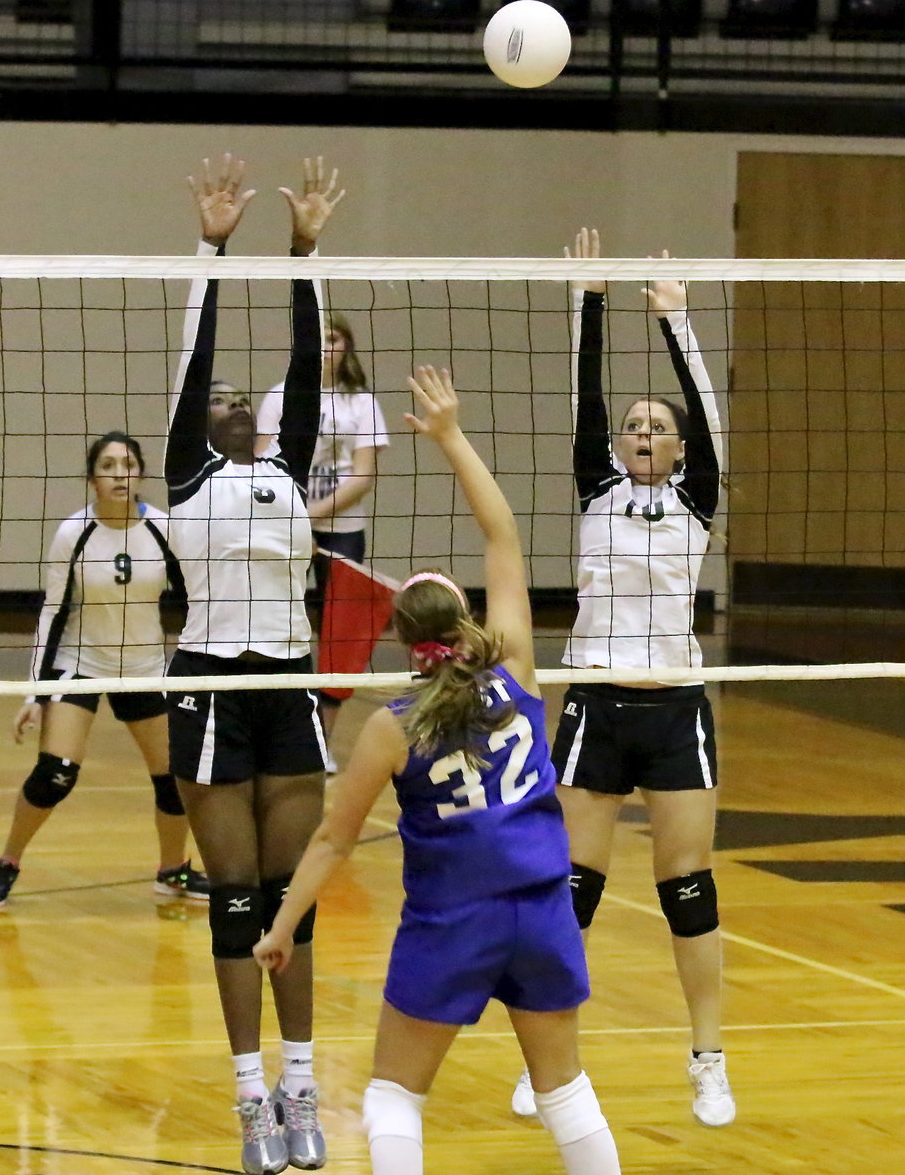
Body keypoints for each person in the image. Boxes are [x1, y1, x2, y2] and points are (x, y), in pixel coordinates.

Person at [255, 365, 622, 1175]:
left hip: (452, 921)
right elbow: (503, 538)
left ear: (400, 641)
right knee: (564, 1092)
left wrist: (281, 928)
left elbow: (329, 840)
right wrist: (452, 438)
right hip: (541, 910)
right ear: (465, 620)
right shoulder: (518, 672)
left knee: (393, 1098)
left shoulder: (390, 729)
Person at [512, 228, 731, 1127]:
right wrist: (588, 300)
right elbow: (584, 397)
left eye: (658, 428)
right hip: (597, 704)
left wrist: (677, 324)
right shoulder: (596, 489)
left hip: (674, 708)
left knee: (687, 890)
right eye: (634, 426)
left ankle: (707, 1060)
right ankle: (550, 1067)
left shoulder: (696, 498)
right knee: (574, 889)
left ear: (678, 450)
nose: (644, 431)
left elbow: (705, 414)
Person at [163, 153, 342, 1175]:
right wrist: (212, 245)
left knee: (291, 899)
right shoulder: (191, 474)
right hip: (209, 690)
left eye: (245, 398)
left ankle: (303, 1082)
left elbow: (308, 362)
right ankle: (248, 1098)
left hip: (284, 688)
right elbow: (195, 354)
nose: (231, 401)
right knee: (234, 901)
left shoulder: (284, 465)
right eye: (217, 399)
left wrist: (305, 252)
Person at [0, 431, 208, 909]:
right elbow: (52, 613)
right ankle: (7, 862)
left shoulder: (166, 530)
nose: (120, 473)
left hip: (144, 668)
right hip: (81, 664)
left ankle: (172, 871)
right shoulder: (74, 533)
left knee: (174, 779)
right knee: (55, 774)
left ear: (140, 473)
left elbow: (199, 599)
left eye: (128, 464)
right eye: (108, 466)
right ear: (92, 480)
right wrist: (36, 695)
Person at [256, 312, 389, 770]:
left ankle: (321, 744)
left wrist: (309, 516)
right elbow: (264, 470)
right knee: (277, 627)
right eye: (320, 338)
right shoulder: (279, 397)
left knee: (340, 638)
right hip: (286, 534)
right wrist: (293, 524)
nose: (327, 346)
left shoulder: (363, 404)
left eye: (335, 338)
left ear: (347, 347)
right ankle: (276, 735)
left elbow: (364, 475)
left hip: (342, 533)